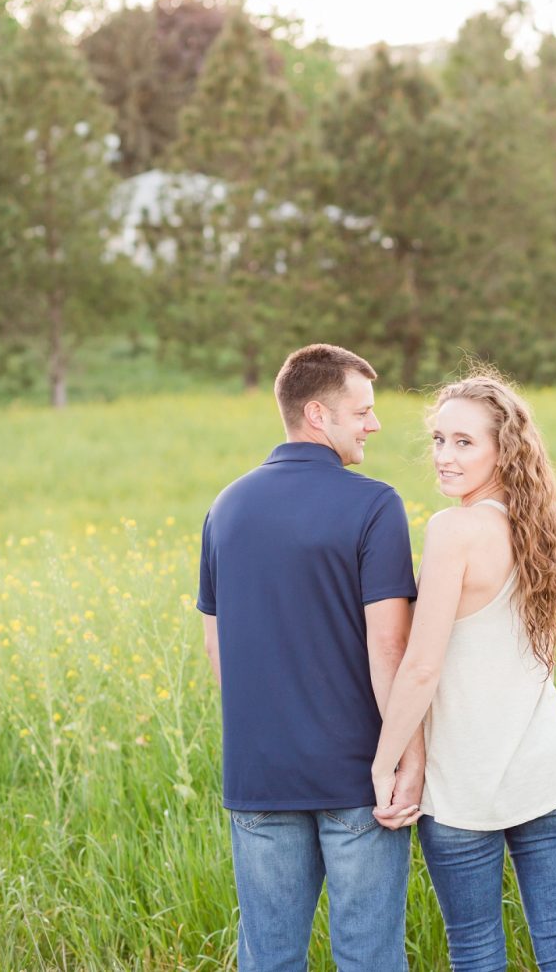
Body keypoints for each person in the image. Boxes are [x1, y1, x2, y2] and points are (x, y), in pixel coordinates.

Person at [197, 344, 424, 972]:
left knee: (268, 958)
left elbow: (217, 645)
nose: (373, 425)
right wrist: (405, 759)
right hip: (359, 778)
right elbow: (389, 646)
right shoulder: (375, 504)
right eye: (363, 411)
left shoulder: (226, 506)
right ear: (319, 414)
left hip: (259, 777)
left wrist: (264, 735)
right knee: (368, 958)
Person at [371, 373, 556, 972]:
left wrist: (385, 759)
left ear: (504, 449)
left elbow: (420, 666)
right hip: (547, 770)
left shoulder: (454, 530)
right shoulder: (536, 526)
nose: (444, 456)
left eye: (464, 442)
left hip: (463, 783)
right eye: (440, 440)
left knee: (474, 952)